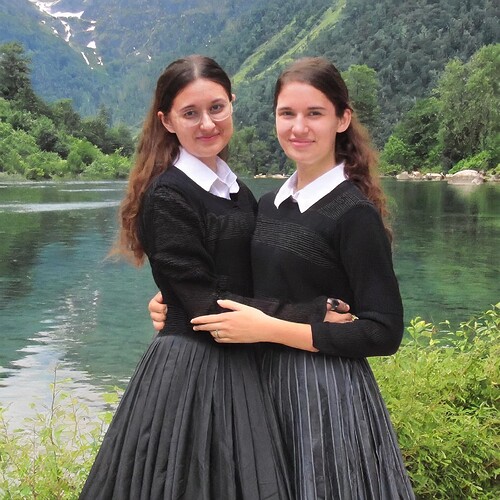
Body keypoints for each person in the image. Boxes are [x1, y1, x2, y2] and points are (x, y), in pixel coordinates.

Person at [80, 55, 351, 500]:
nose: (207, 123)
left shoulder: (237, 190)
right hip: (193, 368)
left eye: (217, 108)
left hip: (243, 359)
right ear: (167, 121)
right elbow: (206, 306)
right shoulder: (167, 195)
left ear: (232, 105)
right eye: (190, 113)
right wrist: (310, 314)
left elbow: (249, 274)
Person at [150, 57, 415, 499]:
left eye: (315, 114)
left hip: (325, 394)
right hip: (256, 383)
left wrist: (274, 328)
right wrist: (173, 300)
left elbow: (384, 332)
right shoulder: (267, 204)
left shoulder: (354, 214)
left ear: (342, 119)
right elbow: (240, 285)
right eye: (287, 113)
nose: (299, 128)